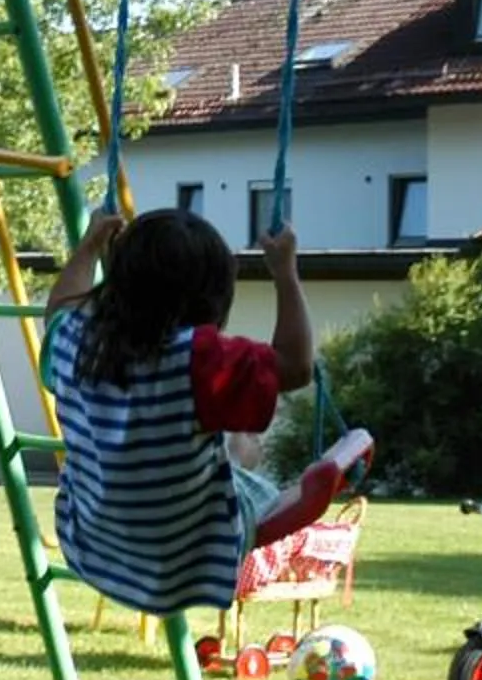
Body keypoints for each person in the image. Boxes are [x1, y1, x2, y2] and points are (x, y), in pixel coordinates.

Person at [40, 208, 369, 617]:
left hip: (93, 547)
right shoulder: (201, 358)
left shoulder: (74, 340)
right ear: (212, 299)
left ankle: (238, 453)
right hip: (185, 561)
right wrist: (285, 272)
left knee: (221, 454)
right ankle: (258, 477)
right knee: (246, 472)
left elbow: (59, 309)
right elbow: (296, 367)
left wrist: (90, 245)